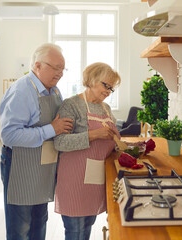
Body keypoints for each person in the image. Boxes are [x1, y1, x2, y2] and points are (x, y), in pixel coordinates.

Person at [0, 43, 73, 240]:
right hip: (20, 164)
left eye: (62, 68)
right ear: (37, 66)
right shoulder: (22, 91)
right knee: (21, 227)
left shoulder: (54, 91)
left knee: (39, 221)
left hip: (42, 165)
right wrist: (52, 129)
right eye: (56, 68)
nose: (60, 73)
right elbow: (9, 135)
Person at [53, 62, 121, 240]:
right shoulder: (71, 105)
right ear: (91, 80)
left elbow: (113, 140)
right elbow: (59, 142)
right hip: (74, 178)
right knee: (76, 232)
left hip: (97, 177)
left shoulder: (106, 108)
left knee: (87, 227)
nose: (108, 91)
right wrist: (94, 134)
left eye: (111, 89)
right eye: (106, 85)